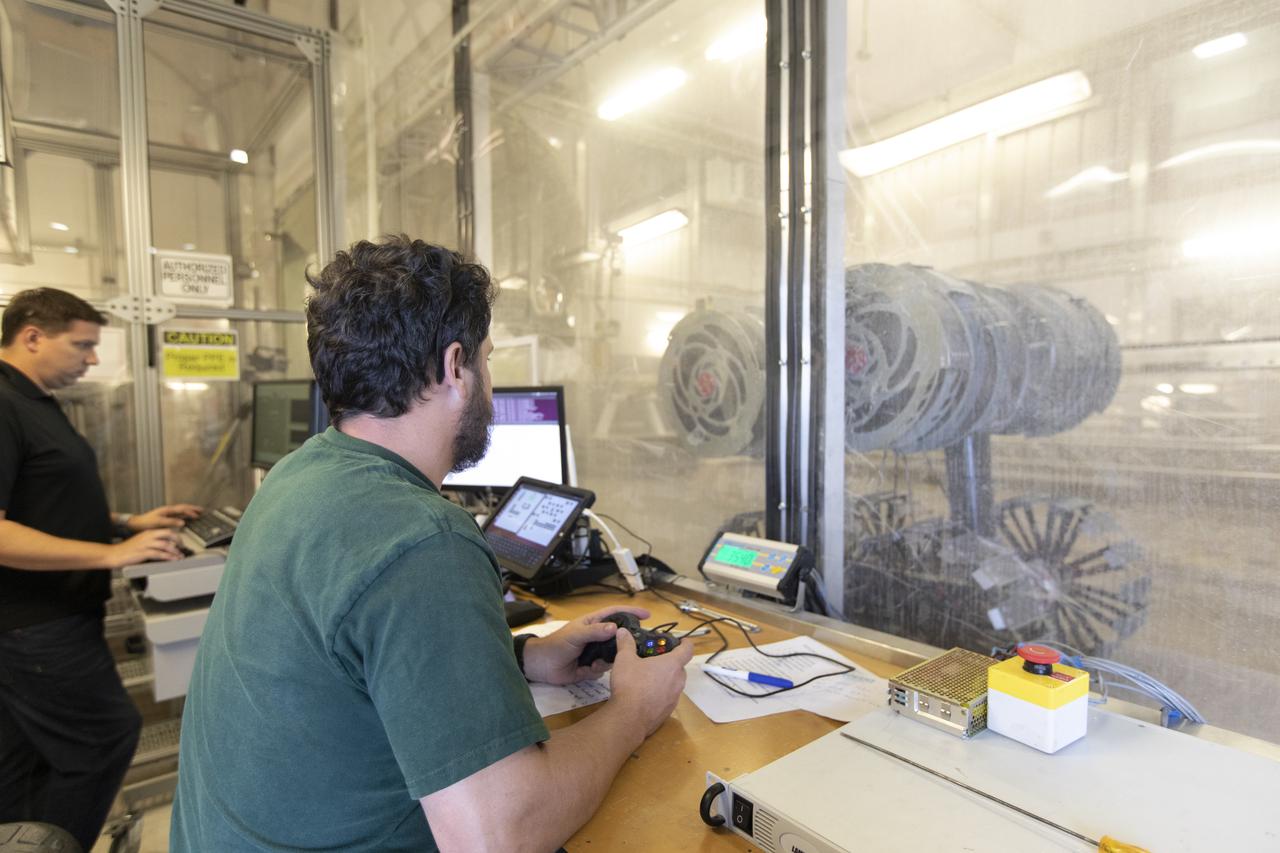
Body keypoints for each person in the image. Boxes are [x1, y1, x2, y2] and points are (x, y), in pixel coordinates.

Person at [170, 236, 694, 852]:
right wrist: (634, 709)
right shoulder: (422, 539)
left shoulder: (302, 474)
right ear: (453, 367)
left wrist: (521, 660)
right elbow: (499, 836)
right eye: (487, 360)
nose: (491, 384)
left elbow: (342, 668)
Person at [0, 287, 202, 850]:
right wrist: (112, 556)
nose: (91, 359)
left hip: (44, 621)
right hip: (35, 625)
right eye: (83, 345)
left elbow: (42, 500)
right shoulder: (3, 403)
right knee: (105, 738)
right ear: (33, 336)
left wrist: (126, 522)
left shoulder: (33, 401)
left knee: (23, 758)